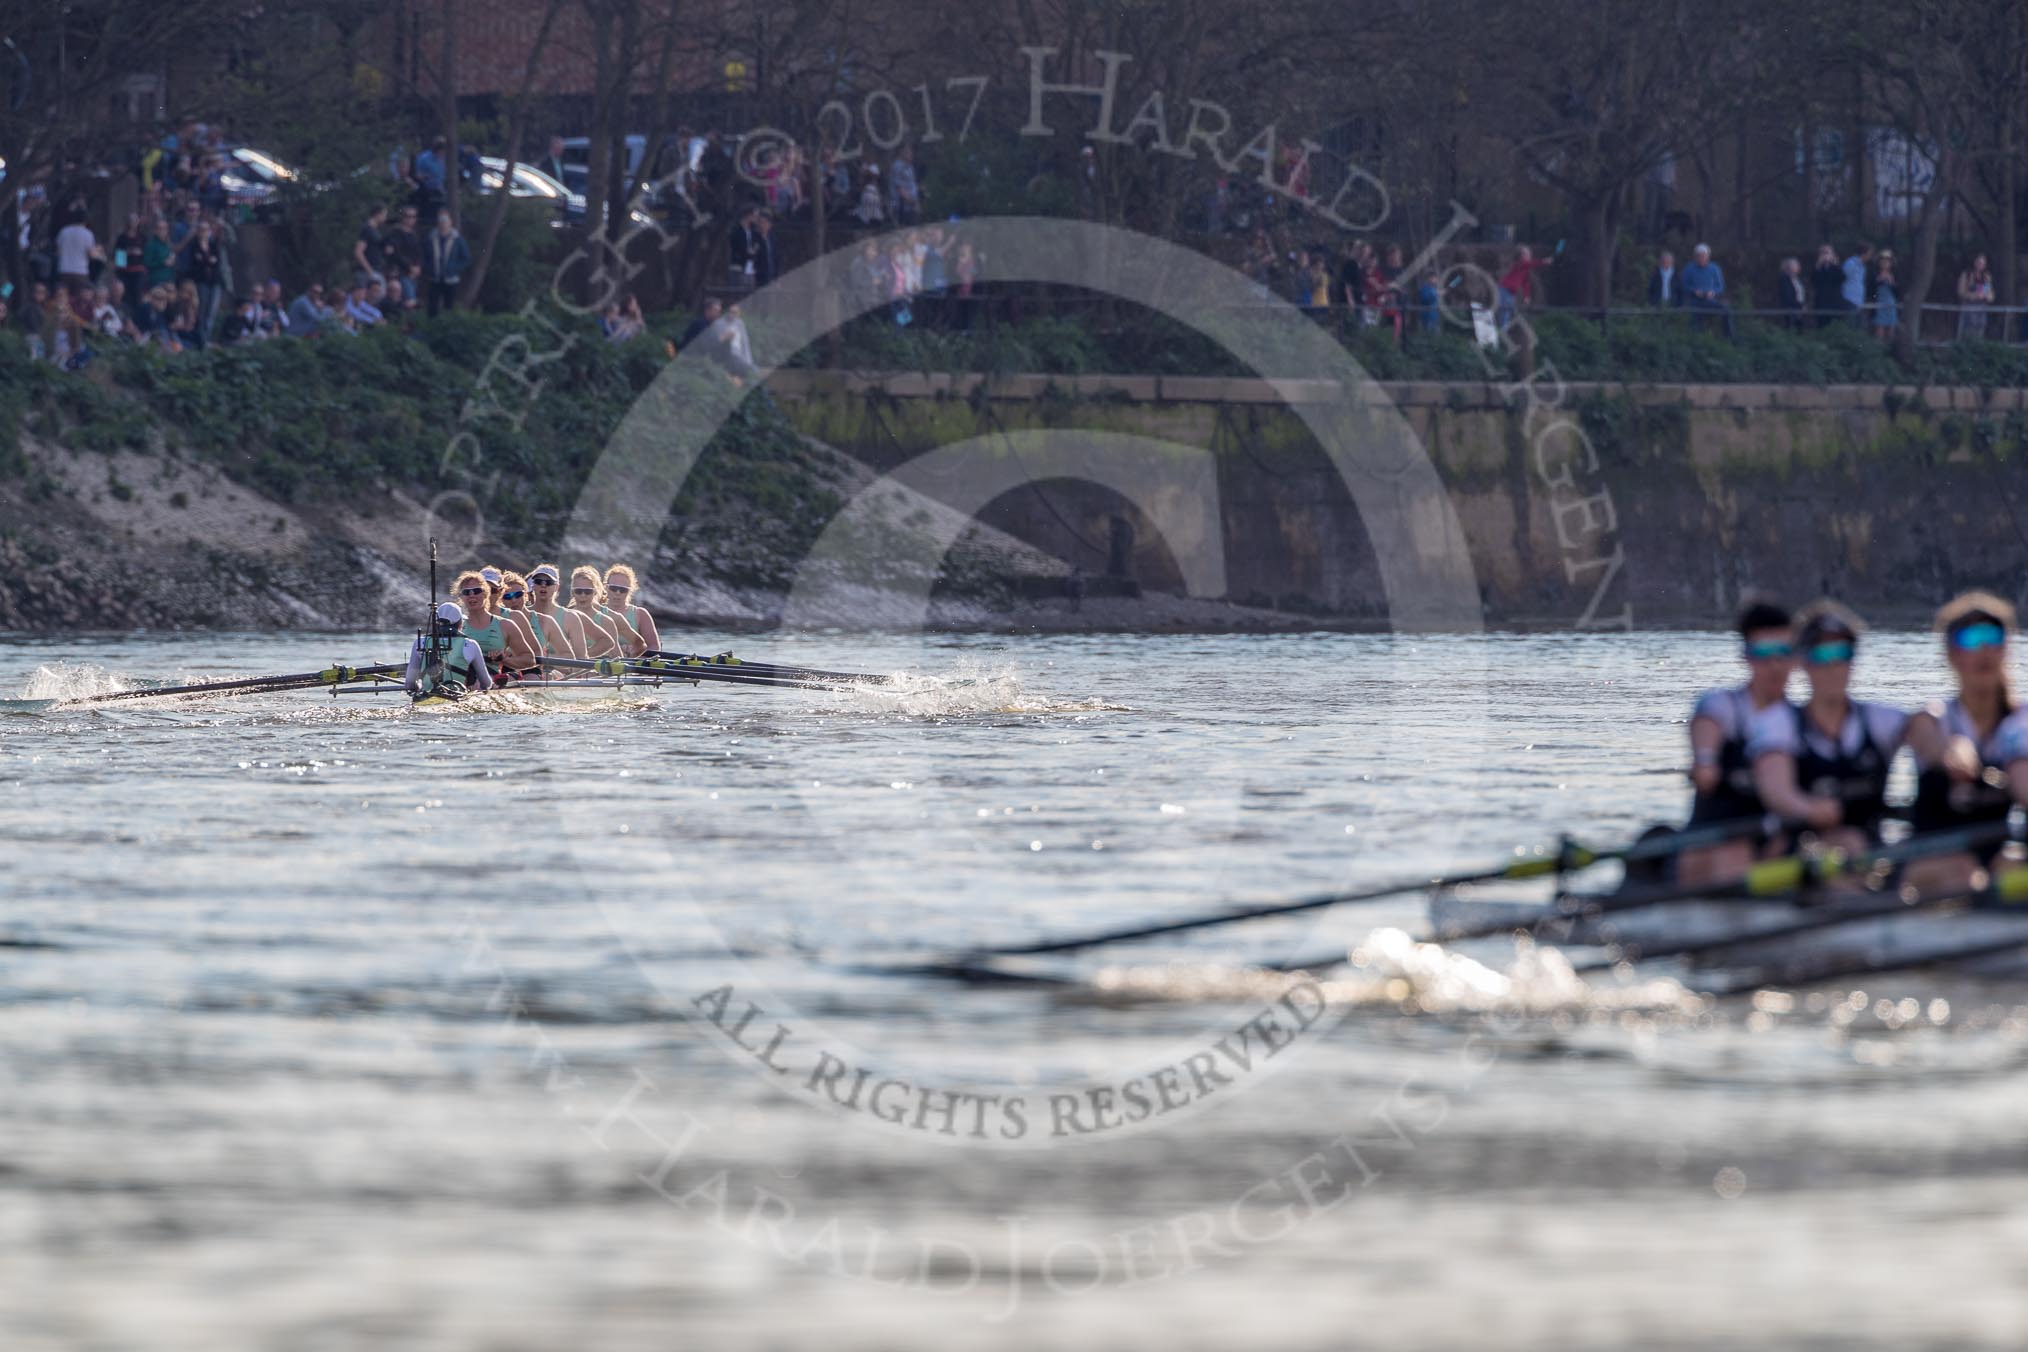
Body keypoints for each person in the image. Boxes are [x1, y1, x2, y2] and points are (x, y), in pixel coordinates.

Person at [1747, 601, 1907, 862]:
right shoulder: (1778, 722)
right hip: (1798, 851)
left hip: (1867, 850)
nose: (1833, 665)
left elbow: (1928, 735)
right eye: (1821, 654)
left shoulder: (1882, 719)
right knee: (1846, 845)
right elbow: (1775, 790)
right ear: (1801, 662)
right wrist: (1806, 808)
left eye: (1842, 653)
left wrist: (1951, 753)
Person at [1901, 594, 2028, 893]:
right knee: (1963, 870)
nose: (1984, 649)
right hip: (1928, 864)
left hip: (1993, 863)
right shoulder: (1932, 718)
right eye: (1970, 639)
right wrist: (1953, 751)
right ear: (1951, 654)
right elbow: (1931, 741)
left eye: (1992, 637)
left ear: (2006, 648)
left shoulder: (2021, 722)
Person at [1679, 599, 1797, 886]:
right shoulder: (1723, 705)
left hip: (1773, 841)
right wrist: (1705, 762)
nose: (1775, 665)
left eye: (1783, 652)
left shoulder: (1801, 720)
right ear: (1746, 656)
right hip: (1715, 840)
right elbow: (1706, 724)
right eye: (1763, 653)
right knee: (1733, 854)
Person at [451, 569, 538, 683]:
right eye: (467, 592)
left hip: (490, 682)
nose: (472, 596)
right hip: (458, 681)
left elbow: (530, 660)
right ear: (461, 597)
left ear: (486, 593)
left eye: (477, 591)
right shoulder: (455, 625)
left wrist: (505, 660)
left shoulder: (506, 625)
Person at [406, 601, 495, 700]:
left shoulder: (420, 642)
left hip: (426, 697)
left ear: (436, 623)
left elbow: (409, 684)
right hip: (456, 697)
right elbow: (486, 683)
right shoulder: (470, 644)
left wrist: (418, 686)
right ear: (460, 624)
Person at [524, 564, 595, 659]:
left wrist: (543, 657)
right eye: (538, 582)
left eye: (549, 582)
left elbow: (581, 657)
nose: (543, 585)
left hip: (558, 669)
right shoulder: (521, 614)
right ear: (533, 585)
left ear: (557, 587)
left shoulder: (570, 618)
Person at [567, 565, 634, 658]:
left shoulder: (606, 622)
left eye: (588, 591)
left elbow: (617, 658)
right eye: (578, 591)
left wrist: (583, 656)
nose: (583, 595)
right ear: (572, 592)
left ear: (595, 592)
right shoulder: (564, 617)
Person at [602, 564, 661, 656]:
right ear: (606, 587)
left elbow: (654, 647)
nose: (618, 593)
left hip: (631, 662)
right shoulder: (594, 611)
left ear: (630, 590)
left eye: (623, 590)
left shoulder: (641, 614)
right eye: (613, 588)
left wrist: (635, 655)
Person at [1679, 243, 1733, 339]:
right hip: (1694, 301)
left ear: (1708, 256)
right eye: (1699, 256)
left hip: (1710, 300)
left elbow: (1720, 287)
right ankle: (1695, 338)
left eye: (1704, 256)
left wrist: (1713, 292)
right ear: (1695, 257)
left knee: (1726, 310)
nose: (1701, 258)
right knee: (1693, 316)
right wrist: (1694, 291)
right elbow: (1683, 286)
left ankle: (1728, 336)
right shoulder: (1689, 268)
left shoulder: (1715, 268)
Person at [423, 210, 471, 317]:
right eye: (440, 220)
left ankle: (447, 324)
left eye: (445, 220)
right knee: (432, 307)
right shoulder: (431, 238)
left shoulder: (457, 239)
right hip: (434, 278)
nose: (443, 222)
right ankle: (431, 325)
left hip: (451, 279)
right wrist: (428, 269)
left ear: (450, 222)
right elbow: (424, 256)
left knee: (449, 307)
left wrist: (454, 269)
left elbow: (466, 258)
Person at [1495, 245, 1551, 330]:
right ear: (1521, 255)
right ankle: (1501, 331)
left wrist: (1526, 296)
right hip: (1505, 291)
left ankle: (1503, 331)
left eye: (1529, 253)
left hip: (1511, 293)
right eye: (1526, 253)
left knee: (1507, 313)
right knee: (1504, 312)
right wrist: (1543, 261)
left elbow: (1526, 284)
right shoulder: (1520, 264)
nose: (1529, 255)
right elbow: (1529, 264)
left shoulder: (1525, 269)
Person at [1956, 254, 1995, 341]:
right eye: (1979, 263)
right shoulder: (1966, 275)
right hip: (1968, 310)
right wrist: (1974, 295)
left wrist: (1988, 296)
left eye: (1983, 264)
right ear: (1975, 262)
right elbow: (1961, 292)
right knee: (1967, 334)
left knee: (1979, 334)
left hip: (1981, 311)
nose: (1981, 265)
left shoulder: (1986, 277)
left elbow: (1989, 292)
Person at [1809, 244, 1845, 327]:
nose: (1825, 256)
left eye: (1827, 253)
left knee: (1835, 325)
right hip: (1821, 302)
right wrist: (1818, 265)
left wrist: (1836, 265)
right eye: (1823, 253)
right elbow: (1813, 281)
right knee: (1821, 325)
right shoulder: (1818, 268)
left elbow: (1842, 278)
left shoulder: (1836, 267)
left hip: (1834, 302)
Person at [1841, 242, 1873, 326]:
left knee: (1858, 326)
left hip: (1859, 301)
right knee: (1850, 325)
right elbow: (1842, 279)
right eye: (1869, 254)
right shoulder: (1850, 263)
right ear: (1863, 254)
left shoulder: (1863, 267)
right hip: (1849, 300)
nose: (1870, 256)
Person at [1871, 251, 1899, 342]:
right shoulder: (1874, 274)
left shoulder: (1895, 274)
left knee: (1891, 330)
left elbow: (1898, 292)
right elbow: (1871, 289)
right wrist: (1879, 280)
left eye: (1887, 262)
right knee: (1879, 330)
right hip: (1879, 304)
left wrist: (1892, 282)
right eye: (1882, 261)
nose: (1885, 264)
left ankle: (1889, 348)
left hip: (1891, 304)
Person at [890, 145, 921, 225]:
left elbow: (911, 185)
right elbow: (900, 188)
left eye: (911, 152)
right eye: (908, 152)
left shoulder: (909, 167)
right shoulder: (898, 167)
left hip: (912, 207)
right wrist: (912, 202)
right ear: (901, 152)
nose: (911, 154)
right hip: (903, 208)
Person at [1775, 257, 1808, 330]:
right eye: (1796, 265)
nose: (1798, 267)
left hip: (1799, 310)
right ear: (1790, 267)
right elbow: (1788, 295)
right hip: (1791, 309)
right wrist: (1799, 306)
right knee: (1791, 328)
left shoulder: (1797, 280)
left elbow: (1801, 294)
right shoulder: (1784, 279)